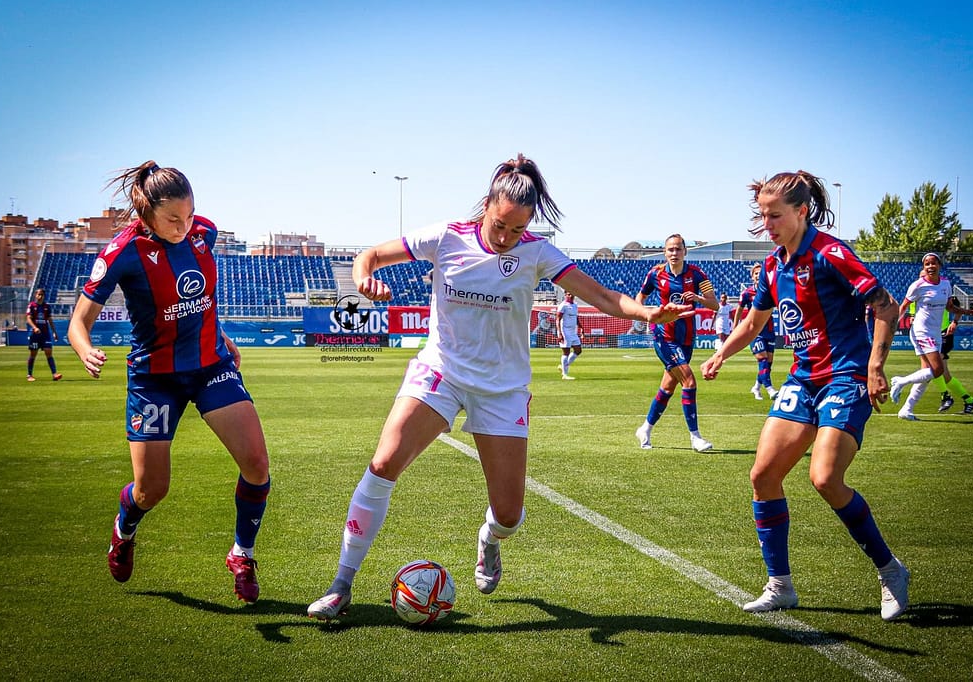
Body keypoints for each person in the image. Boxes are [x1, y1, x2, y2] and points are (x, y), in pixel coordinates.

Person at [307, 154, 694, 620]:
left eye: (517, 230)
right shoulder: (446, 235)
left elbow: (604, 296)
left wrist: (647, 312)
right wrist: (363, 277)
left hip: (503, 390)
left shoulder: (537, 252)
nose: (506, 238)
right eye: (500, 225)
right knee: (384, 461)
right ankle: (341, 584)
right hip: (442, 372)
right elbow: (369, 255)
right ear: (487, 204)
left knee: (509, 514)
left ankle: (489, 538)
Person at [700, 170, 910, 622]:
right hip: (803, 380)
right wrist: (720, 355)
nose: (767, 224)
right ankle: (781, 585)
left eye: (775, 215)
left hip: (846, 376)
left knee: (825, 479)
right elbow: (754, 324)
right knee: (763, 475)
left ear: (801, 211)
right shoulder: (773, 266)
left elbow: (886, 305)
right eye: (762, 216)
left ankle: (890, 570)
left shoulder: (831, 254)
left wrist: (875, 366)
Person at [67, 161, 271, 603]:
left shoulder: (205, 233)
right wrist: (85, 350)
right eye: (173, 219)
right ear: (147, 214)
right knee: (152, 489)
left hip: (210, 366)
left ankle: (242, 553)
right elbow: (78, 322)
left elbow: (201, 298)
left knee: (256, 463)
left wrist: (220, 335)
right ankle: (124, 529)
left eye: (190, 213)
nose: (185, 225)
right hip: (154, 380)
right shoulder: (120, 253)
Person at [633, 234, 718, 453]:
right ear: (664, 252)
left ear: (685, 251)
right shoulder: (656, 273)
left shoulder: (697, 274)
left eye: (678, 249)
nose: (674, 253)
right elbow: (639, 299)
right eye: (670, 249)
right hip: (664, 336)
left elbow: (715, 304)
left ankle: (645, 429)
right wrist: (647, 315)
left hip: (687, 338)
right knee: (689, 381)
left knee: (667, 387)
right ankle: (695, 437)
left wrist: (698, 299)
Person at [889, 254, 973, 419]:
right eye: (927, 264)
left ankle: (906, 410)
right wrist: (892, 327)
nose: (930, 266)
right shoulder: (918, 285)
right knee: (937, 370)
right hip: (921, 331)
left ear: (939, 265)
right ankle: (900, 382)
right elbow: (903, 307)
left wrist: (967, 312)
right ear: (924, 267)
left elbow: (950, 307)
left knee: (926, 373)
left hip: (936, 332)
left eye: (933, 263)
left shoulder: (945, 284)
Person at [732, 264, 778, 401]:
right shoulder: (747, 293)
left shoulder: (769, 291)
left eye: (760, 273)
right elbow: (739, 310)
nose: (758, 275)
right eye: (756, 273)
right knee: (762, 359)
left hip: (769, 330)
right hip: (754, 331)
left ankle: (756, 387)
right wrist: (735, 328)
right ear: (752, 276)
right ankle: (770, 389)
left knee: (768, 363)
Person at [934, 295, 973, 412]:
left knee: (933, 367)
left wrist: (954, 322)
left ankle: (945, 396)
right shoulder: (922, 293)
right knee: (945, 376)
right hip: (931, 335)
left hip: (944, 334)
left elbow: (958, 309)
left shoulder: (945, 294)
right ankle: (969, 400)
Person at [25, 288, 62, 382]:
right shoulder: (32, 306)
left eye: (42, 295)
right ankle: (29, 375)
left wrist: (54, 332)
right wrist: (35, 327)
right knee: (33, 354)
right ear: (35, 295)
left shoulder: (47, 307)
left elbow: (50, 320)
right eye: (39, 294)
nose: (40, 296)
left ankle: (54, 374)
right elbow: (28, 319)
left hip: (45, 333)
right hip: (35, 334)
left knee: (49, 352)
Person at [556, 291, 584, 379]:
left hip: (573, 332)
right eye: (568, 294)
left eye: (572, 293)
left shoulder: (575, 305)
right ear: (565, 295)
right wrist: (559, 333)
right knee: (566, 352)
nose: (570, 295)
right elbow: (558, 319)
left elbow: (576, 317)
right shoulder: (563, 305)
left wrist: (581, 328)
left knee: (578, 350)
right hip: (565, 331)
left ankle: (563, 366)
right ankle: (565, 374)